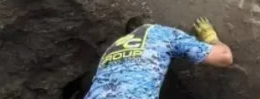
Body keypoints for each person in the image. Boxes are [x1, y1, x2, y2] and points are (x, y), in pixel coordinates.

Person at [84, 17, 233, 99]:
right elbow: (225, 57)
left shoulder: (110, 51)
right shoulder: (159, 33)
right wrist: (210, 37)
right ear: (151, 24)